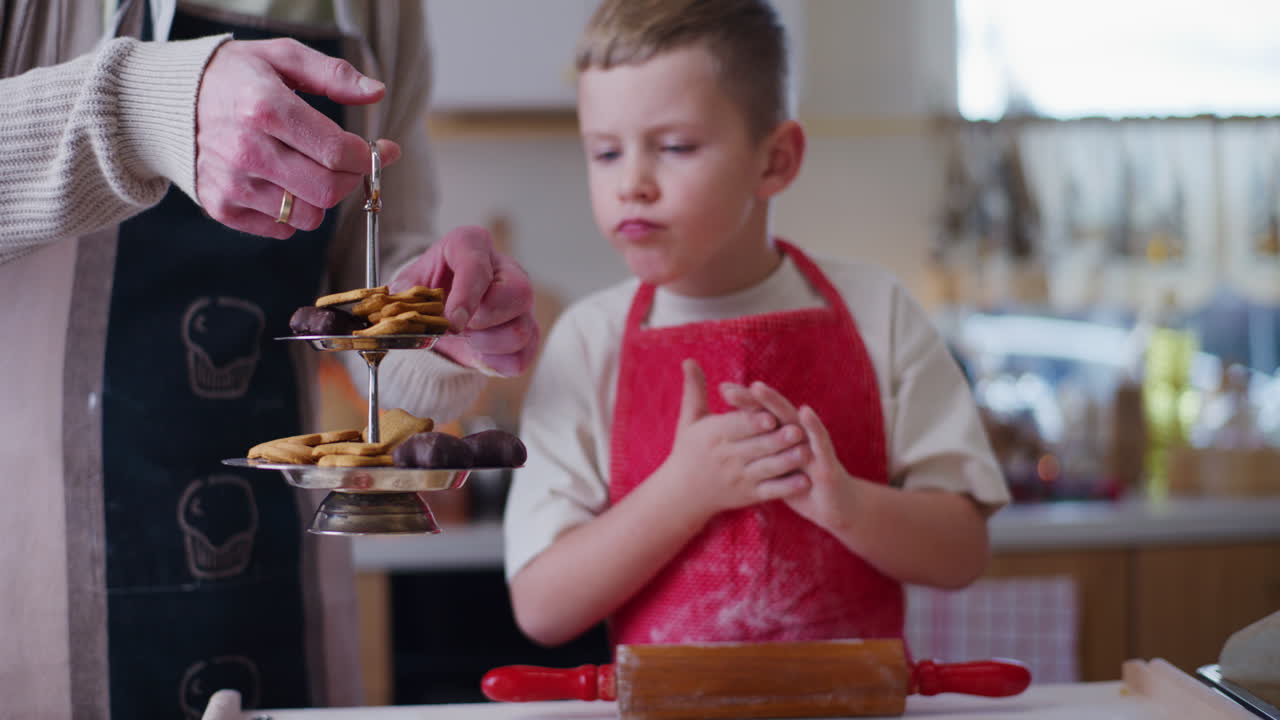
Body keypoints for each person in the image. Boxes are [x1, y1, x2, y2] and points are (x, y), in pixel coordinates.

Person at [0, 1, 535, 716]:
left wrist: (432, 316)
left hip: (277, 577)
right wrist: (146, 107)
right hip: (33, 587)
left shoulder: (381, 11)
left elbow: (367, 271)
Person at [502, 0, 1010, 650]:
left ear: (775, 161)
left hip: (852, 698)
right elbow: (541, 607)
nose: (631, 183)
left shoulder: (878, 310)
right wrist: (681, 494)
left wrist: (850, 507)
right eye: (604, 153)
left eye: (675, 147)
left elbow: (963, 552)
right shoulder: (587, 341)